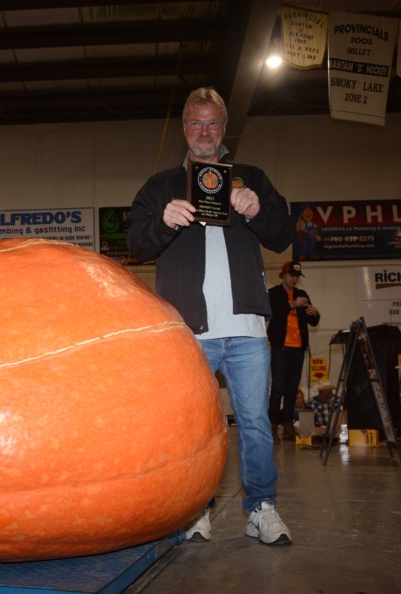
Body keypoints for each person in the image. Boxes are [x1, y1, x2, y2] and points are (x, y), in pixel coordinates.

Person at [127, 86, 294, 546]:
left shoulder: (251, 177)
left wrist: (258, 210)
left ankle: (261, 508)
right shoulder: (160, 186)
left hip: (246, 329)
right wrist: (164, 220)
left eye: (213, 123)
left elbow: (282, 236)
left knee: (256, 423)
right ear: (185, 129)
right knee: (193, 428)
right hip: (189, 333)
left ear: (225, 128)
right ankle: (194, 509)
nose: (205, 132)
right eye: (196, 123)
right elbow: (137, 245)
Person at [267, 260, 320, 441]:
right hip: (281, 348)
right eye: (291, 275)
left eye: (297, 276)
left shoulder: (302, 294)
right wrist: (291, 305)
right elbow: (270, 314)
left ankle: (288, 426)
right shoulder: (273, 293)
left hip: (298, 348)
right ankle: (272, 427)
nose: (294, 278)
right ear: (283, 275)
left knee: (291, 389)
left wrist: (315, 313)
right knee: (278, 388)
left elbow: (313, 322)